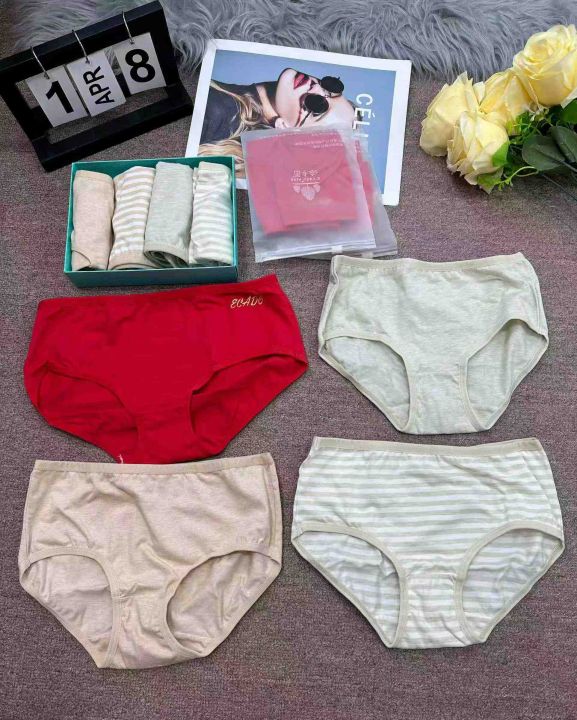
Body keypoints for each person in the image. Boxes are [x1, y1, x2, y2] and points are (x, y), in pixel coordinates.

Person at [198, 67, 357, 173]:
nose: (316, 87)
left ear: (285, 130)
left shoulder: (215, 112)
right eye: (331, 87)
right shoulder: (227, 110)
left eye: (317, 105)